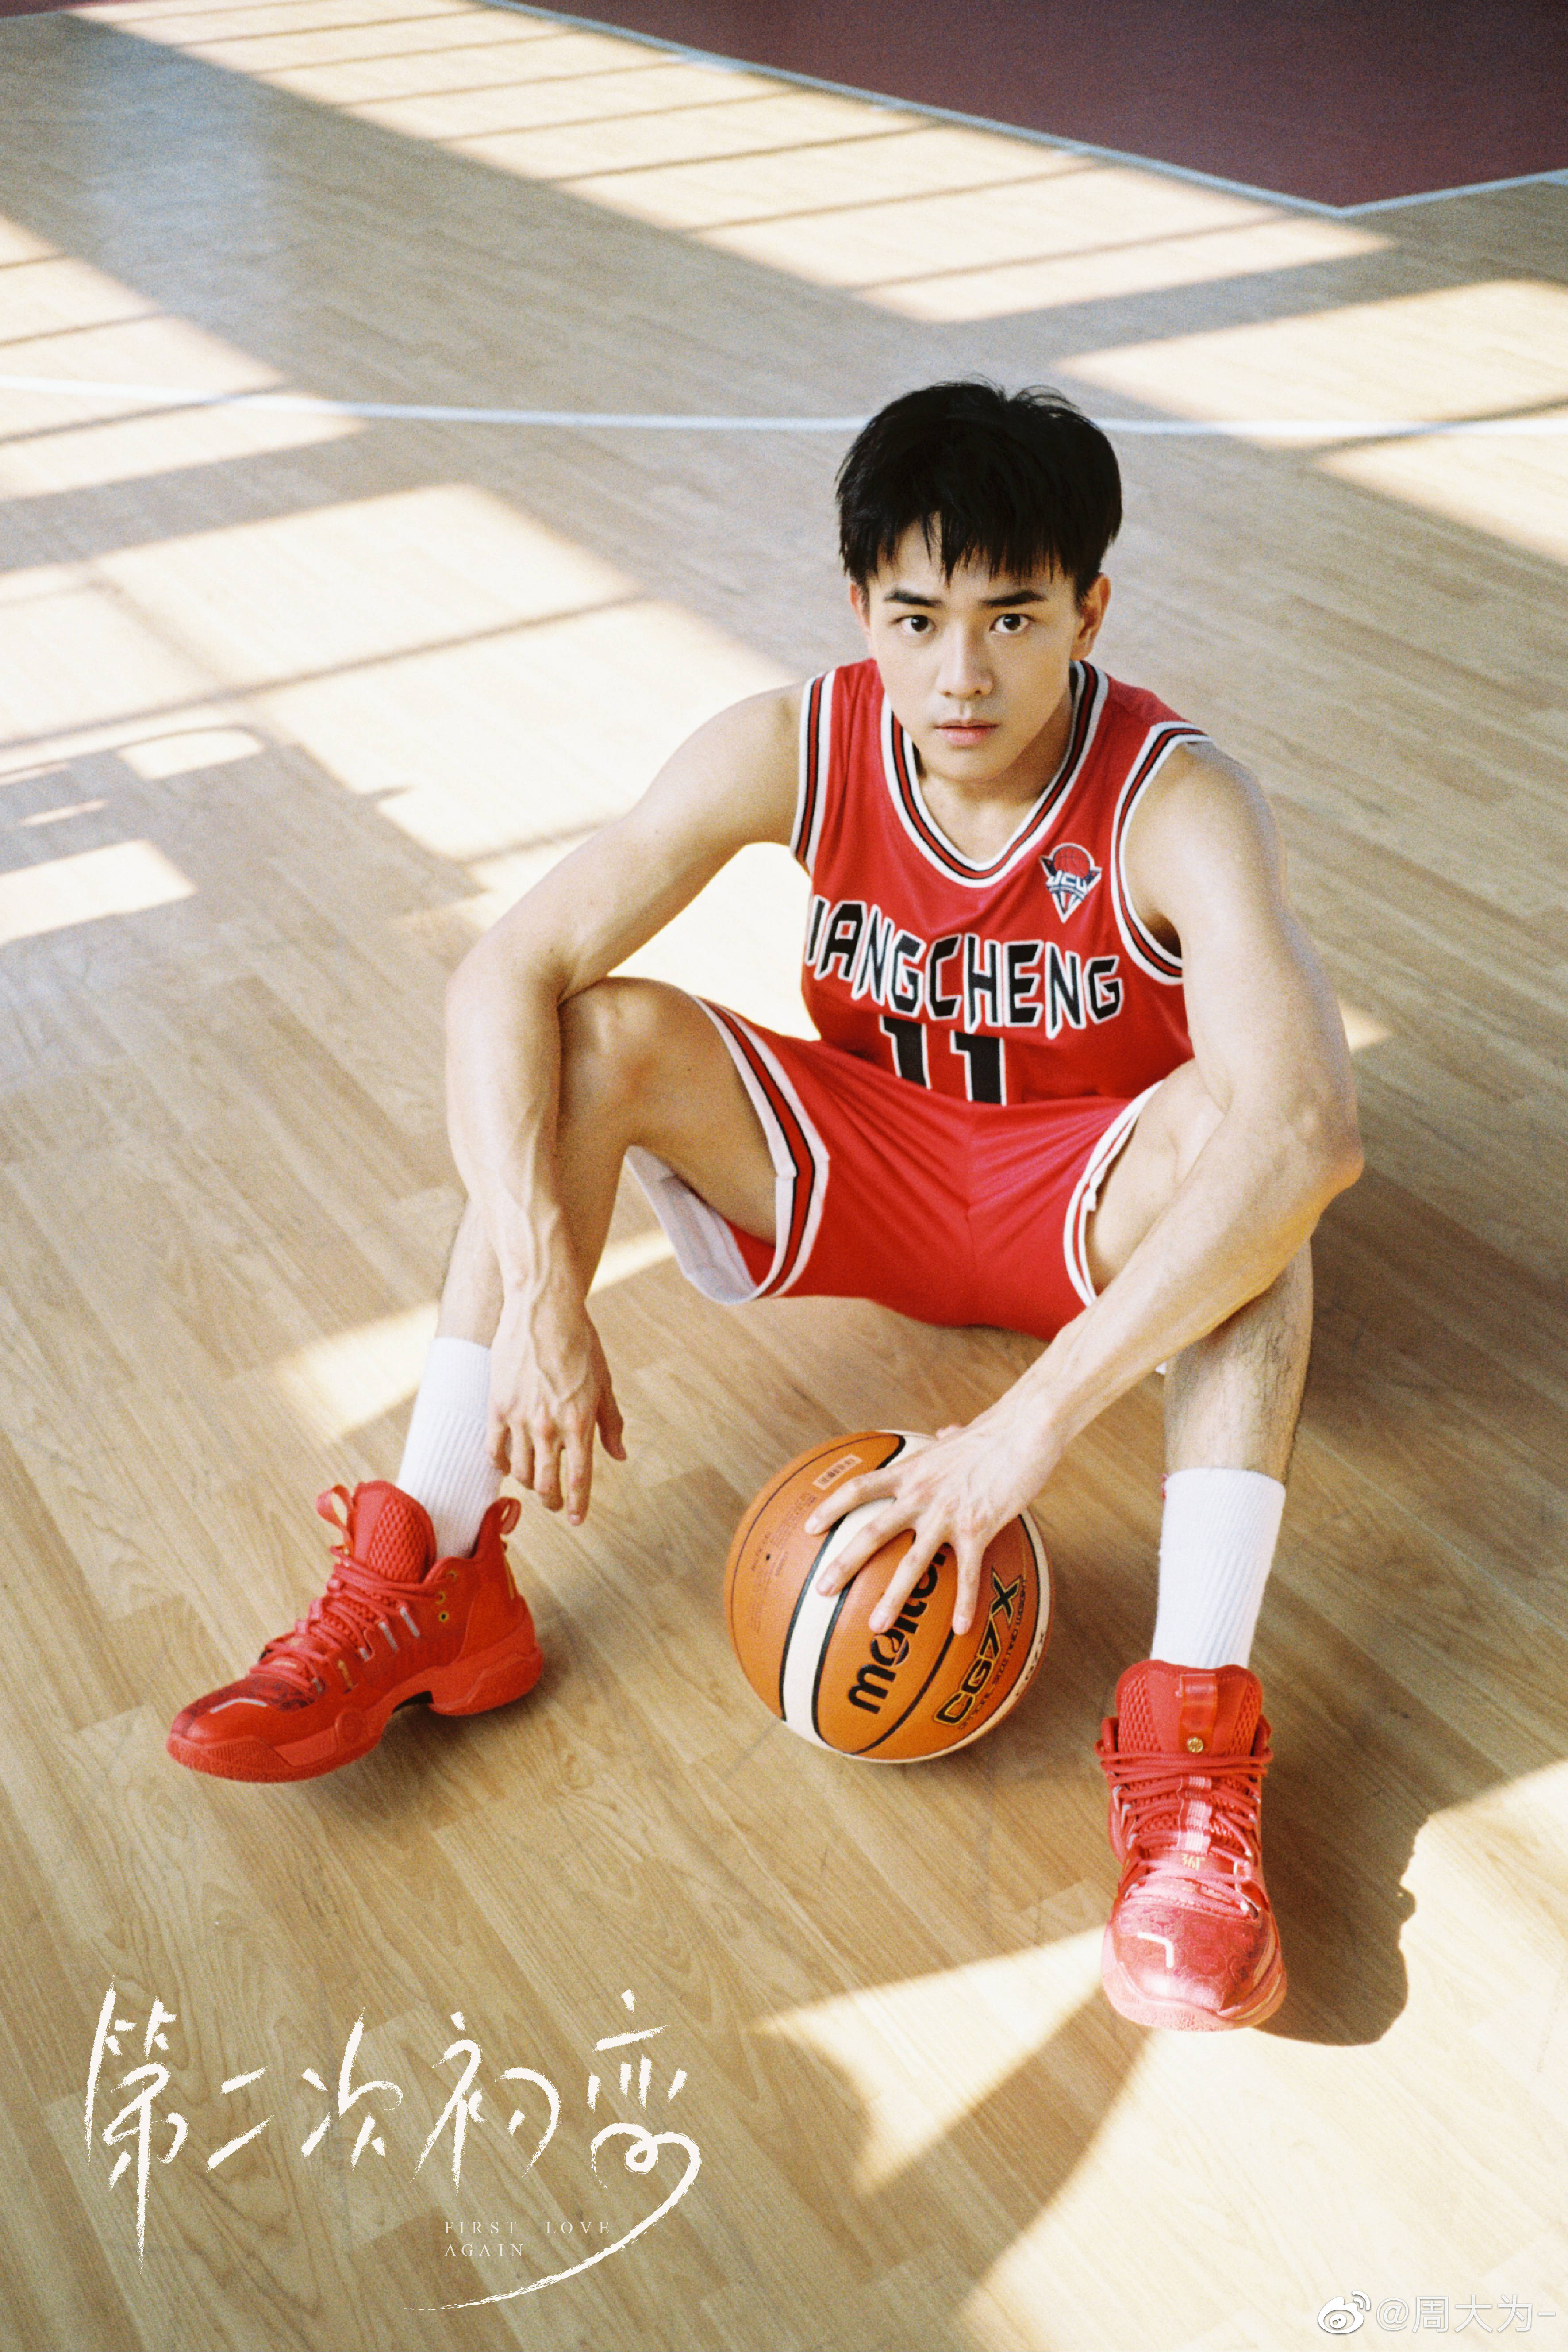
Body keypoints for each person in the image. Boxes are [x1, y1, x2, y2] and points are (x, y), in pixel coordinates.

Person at [169, 382, 1362, 2032]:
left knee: (1256, 1177)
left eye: (1014, 619)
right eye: (918, 618)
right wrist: (545, 1291)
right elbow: (504, 969)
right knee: (595, 1035)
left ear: (1092, 611)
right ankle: (437, 1567)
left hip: (1088, 1201)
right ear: (859, 605)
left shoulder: (1178, 800)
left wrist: (1024, 1429)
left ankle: (1193, 1744)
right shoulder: (793, 744)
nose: (961, 674)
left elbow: (1308, 1129)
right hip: (868, 1168)